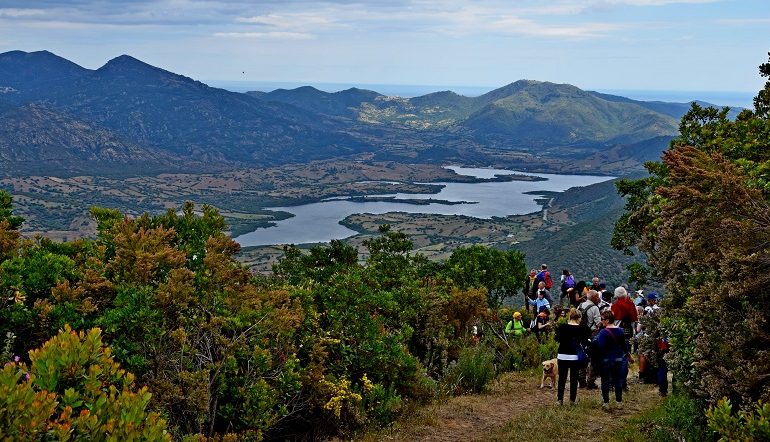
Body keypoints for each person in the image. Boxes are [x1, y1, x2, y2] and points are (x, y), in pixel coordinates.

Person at [555, 308, 589, 405]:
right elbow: (585, 342)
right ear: (579, 318)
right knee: (574, 379)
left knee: (562, 378)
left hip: (562, 355)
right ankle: (572, 400)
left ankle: (559, 399)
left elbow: (557, 339)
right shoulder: (581, 328)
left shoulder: (562, 327)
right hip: (574, 356)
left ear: (569, 316)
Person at [596, 309, 627, 410]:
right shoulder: (620, 331)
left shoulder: (603, 332)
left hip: (606, 359)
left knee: (605, 381)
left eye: (603, 319)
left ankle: (606, 403)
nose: (602, 321)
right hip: (618, 359)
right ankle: (619, 402)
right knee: (617, 381)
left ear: (608, 320)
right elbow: (624, 345)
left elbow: (600, 347)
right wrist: (628, 356)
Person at [611, 286, 638, 391]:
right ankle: (623, 383)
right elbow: (635, 320)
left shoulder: (615, 305)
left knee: (614, 358)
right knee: (625, 359)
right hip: (628, 334)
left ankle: (613, 382)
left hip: (616, 334)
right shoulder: (631, 304)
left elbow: (612, 320)